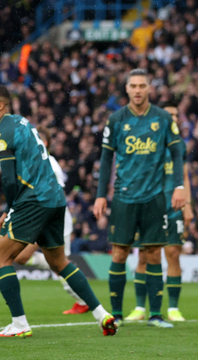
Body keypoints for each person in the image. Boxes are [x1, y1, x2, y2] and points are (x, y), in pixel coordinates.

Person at [0, 84, 116, 337]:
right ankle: (101, 314)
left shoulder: (3, 132)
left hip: (34, 199)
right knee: (59, 261)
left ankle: (19, 324)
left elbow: (8, 180)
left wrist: (9, 210)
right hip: (55, 198)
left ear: (0, 105)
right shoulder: (23, 122)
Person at [94, 69, 185, 328]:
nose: (137, 90)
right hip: (124, 197)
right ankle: (117, 314)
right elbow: (105, 158)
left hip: (154, 197)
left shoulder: (163, 118)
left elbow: (178, 154)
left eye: (142, 85)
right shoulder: (116, 119)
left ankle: (155, 315)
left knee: (154, 253)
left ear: (149, 88)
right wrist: (101, 195)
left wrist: (179, 186)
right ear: (126, 89)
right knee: (120, 253)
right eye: (133, 85)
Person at [124, 101, 192, 323]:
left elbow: (185, 174)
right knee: (144, 255)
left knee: (173, 254)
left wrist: (188, 205)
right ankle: (139, 308)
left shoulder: (179, 145)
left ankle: (173, 308)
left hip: (173, 207)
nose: (172, 118)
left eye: (175, 115)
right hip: (149, 206)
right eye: (168, 114)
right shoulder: (147, 141)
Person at [13, 126, 89, 315]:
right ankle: (72, 277)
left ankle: (83, 300)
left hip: (52, 218)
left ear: (43, 143)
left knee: (51, 264)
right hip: (40, 217)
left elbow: (56, 193)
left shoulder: (50, 163)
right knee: (23, 257)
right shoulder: (31, 162)